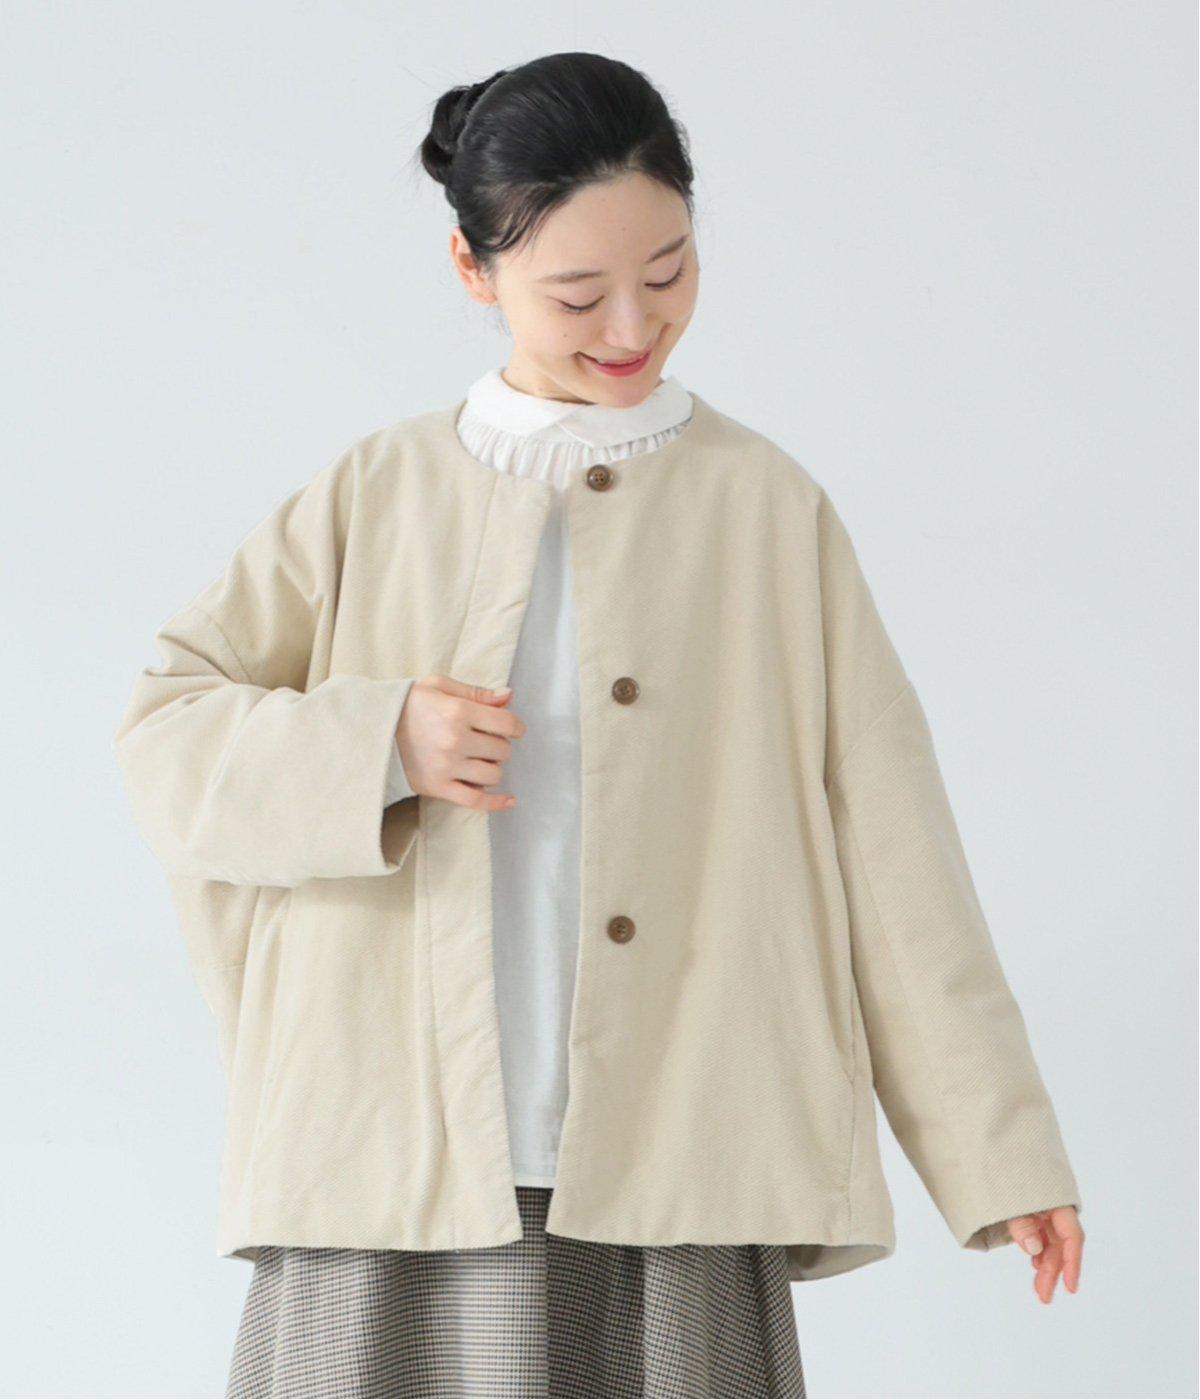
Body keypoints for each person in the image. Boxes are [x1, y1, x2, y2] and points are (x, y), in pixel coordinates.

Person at [113, 51, 1083, 1400]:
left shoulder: (766, 511)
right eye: (578, 294)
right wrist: (382, 742)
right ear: (473, 269)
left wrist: (999, 1156)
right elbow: (166, 733)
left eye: (669, 273)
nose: (633, 324)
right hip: (392, 1157)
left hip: (678, 1157)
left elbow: (894, 844)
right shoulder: (374, 493)